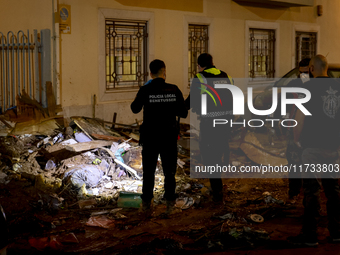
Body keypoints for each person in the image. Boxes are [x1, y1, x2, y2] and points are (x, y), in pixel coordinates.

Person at [290, 55, 340, 246]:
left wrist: (296, 142)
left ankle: (310, 236)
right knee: (333, 190)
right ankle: (336, 232)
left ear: (311, 69)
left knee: (312, 190)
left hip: (312, 146)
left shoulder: (307, 89)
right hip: (332, 147)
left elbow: (300, 118)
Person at [131, 59, 188, 215]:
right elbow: (183, 113)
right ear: (164, 72)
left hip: (150, 137)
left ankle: (146, 204)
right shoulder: (174, 89)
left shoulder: (145, 89)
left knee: (149, 171)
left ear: (150, 73)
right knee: (170, 171)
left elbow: (134, 109)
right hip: (169, 136)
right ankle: (170, 203)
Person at [185, 53, 234, 202]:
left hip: (210, 123)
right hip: (225, 122)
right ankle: (218, 181)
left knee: (208, 156)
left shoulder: (200, 78)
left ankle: (217, 192)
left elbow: (190, 101)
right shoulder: (227, 76)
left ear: (199, 66)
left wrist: (178, 107)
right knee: (217, 152)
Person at [285, 58, 311, 202]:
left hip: (312, 131)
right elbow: (285, 104)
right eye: (301, 73)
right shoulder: (293, 85)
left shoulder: (319, 86)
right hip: (294, 128)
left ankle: (309, 195)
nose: (303, 76)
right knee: (294, 162)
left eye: (306, 72)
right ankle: (294, 193)